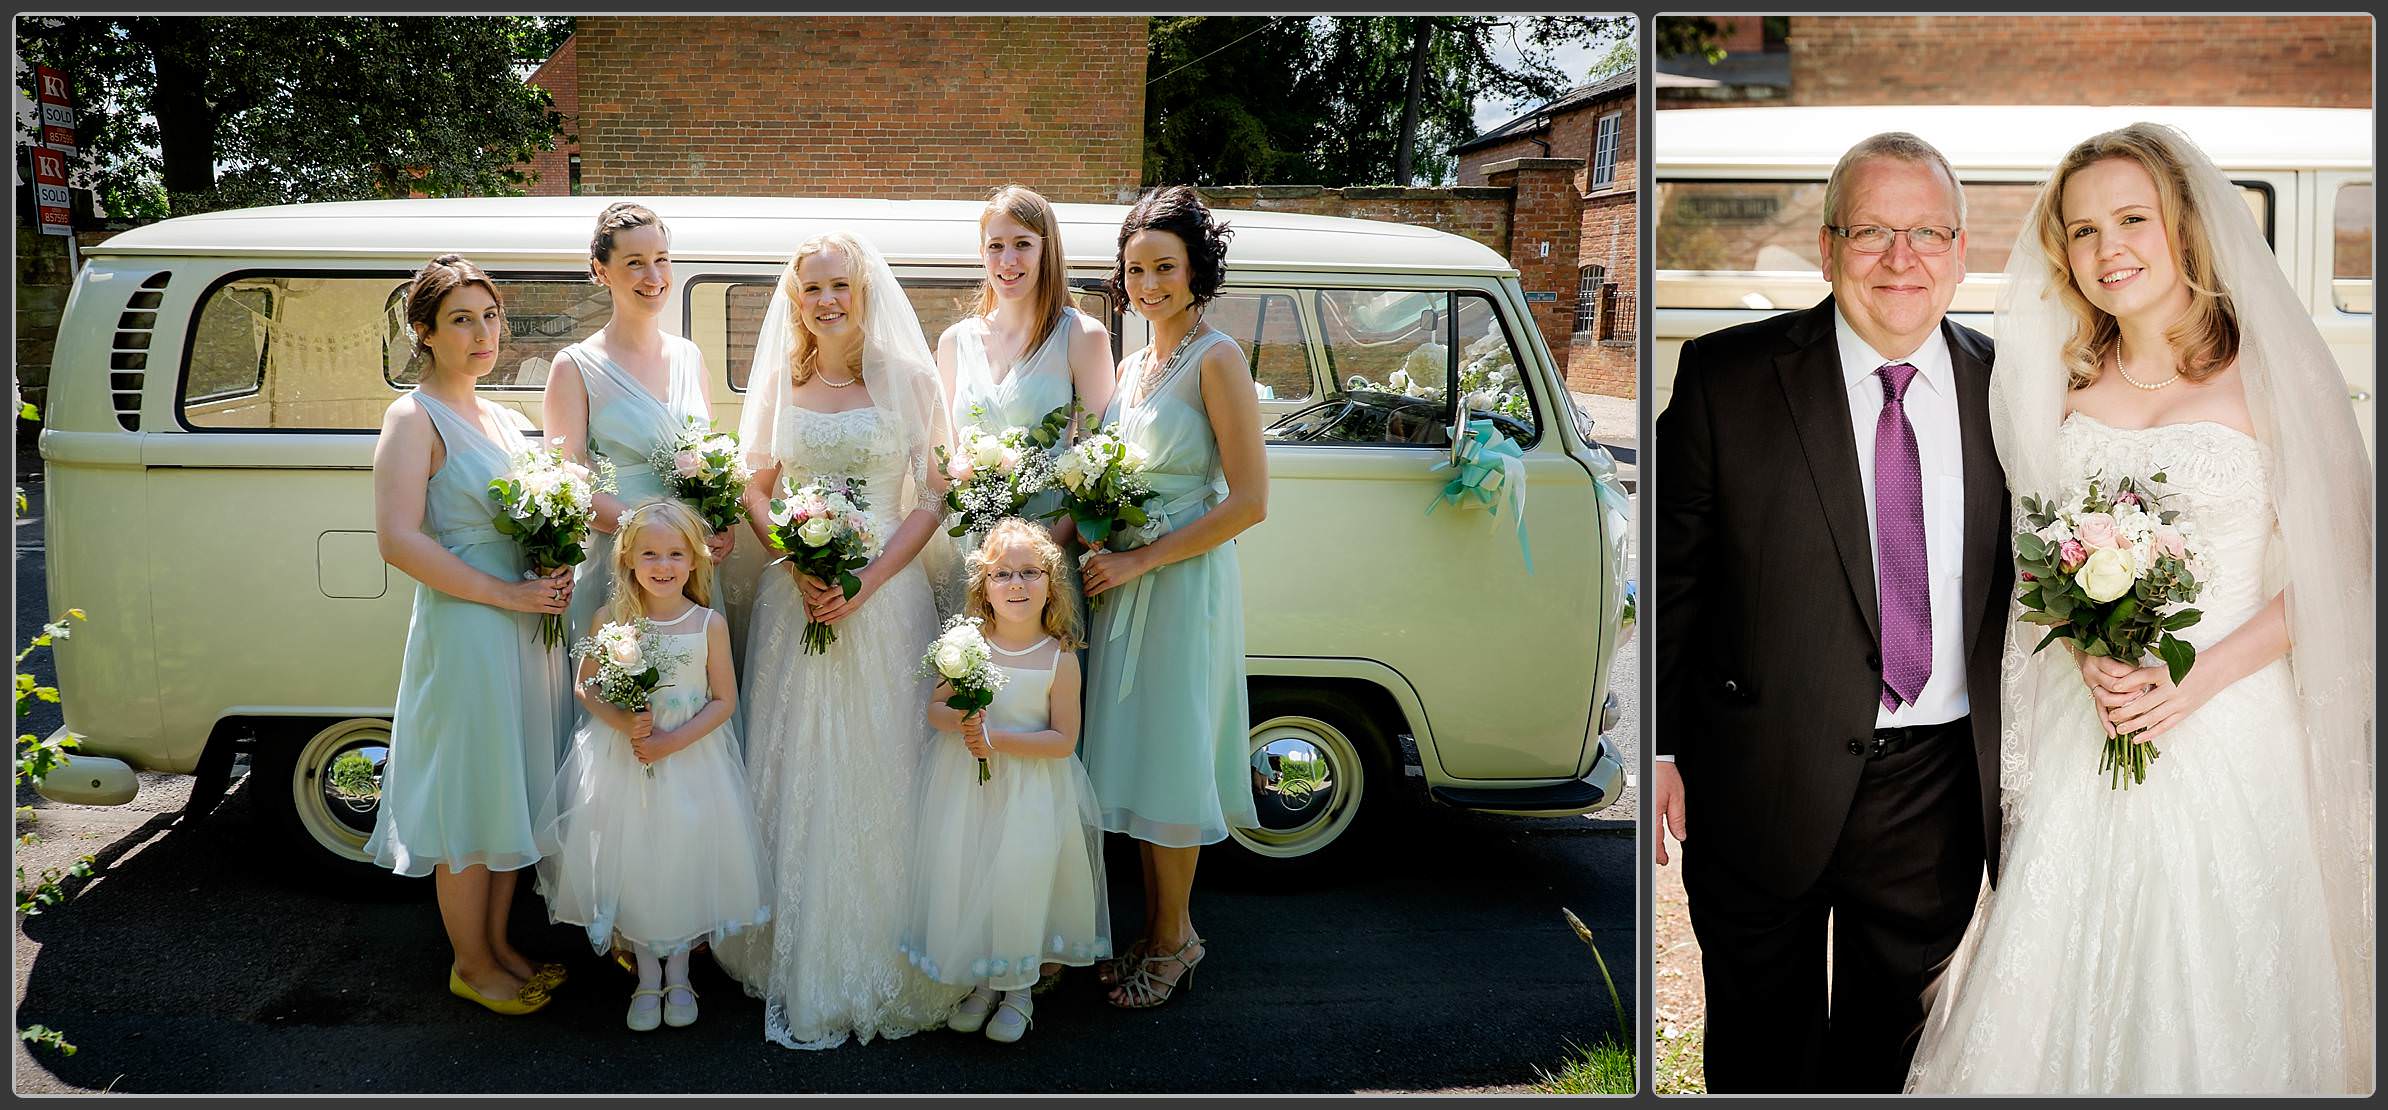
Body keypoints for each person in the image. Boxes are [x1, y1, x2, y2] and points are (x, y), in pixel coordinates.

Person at [1906, 122, 2373, 1094]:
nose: (2107, 249)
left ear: (2187, 229)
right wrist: (2084, 647)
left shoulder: (2272, 375)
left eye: (2131, 219)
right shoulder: (2063, 381)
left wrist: (2190, 681)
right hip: (2095, 723)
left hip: (2230, 723)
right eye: (2081, 231)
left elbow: (2341, 574)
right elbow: (2035, 559)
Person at [1651, 132, 2010, 1092]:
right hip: (1756, 777)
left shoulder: (2012, 392)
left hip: (1933, 793)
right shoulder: (1725, 379)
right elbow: (1673, 575)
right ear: (1826, 248)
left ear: (1962, 251)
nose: (1903, 260)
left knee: (1887, 1055)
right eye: (1873, 233)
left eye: (1928, 233)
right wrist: (1658, 746)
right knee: (1761, 1053)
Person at [709, 230, 970, 1049]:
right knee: (801, 766)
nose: (826, 301)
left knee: (887, 763)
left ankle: (895, 949)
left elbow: (934, 498)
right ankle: (799, 945)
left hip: (886, 599)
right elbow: (754, 485)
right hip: (802, 602)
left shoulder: (912, 379)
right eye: (812, 288)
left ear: (864, 292)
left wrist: (867, 580)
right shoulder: (783, 382)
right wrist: (796, 560)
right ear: (797, 299)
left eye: (839, 286)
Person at [366, 255, 574, 1015]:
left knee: (504, 789)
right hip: (468, 626)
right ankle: (470, 963)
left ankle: (500, 947)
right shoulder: (412, 417)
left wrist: (554, 568)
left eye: (490, 316)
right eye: (461, 318)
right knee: (467, 797)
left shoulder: (505, 417)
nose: (483, 332)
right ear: (423, 332)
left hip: (523, 626)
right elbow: (398, 539)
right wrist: (504, 592)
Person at [1078, 185, 1268, 1009]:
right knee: (1145, 756)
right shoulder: (1131, 366)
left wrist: (1143, 559)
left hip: (1181, 585)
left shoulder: (1218, 358)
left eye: (1164, 266)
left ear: (1197, 271)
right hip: (1126, 581)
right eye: (1135, 269)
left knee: (1175, 756)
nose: (1148, 282)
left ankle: (1176, 938)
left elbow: (1250, 502)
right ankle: (1157, 930)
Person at [536, 498, 771, 1032]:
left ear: (694, 562)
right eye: (649, 554)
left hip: (690, 760)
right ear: (627, 560)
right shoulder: (611, 619)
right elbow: (586, 685)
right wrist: (625, 724)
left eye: (674, 554)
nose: (662, 566)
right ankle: (646, 976)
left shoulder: (706, 624)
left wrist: (673, 741)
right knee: (635, 860)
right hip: (625, 760)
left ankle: (682, 974)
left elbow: (723, 701)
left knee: (683, 857)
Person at [902, 518, 1110, 1045]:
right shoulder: (966, 645)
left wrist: (995, 736)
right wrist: (963, 722)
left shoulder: (1059, 658)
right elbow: (937, 709)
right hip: (967, 790)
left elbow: (1063, 740)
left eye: (1029, 573)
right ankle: (981, 983)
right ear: (983, 586)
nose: (1016, 585)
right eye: (1002, 575)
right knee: (973, 875)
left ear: (1051, 582)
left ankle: (1017, 989)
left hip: (1031, 794)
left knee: (1019, 880)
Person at [543, 202, 733, 647]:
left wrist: (720, 525)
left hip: (687, 567)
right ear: (601, 270)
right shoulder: (575, 366)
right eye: (635, 263)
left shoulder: (690, 357)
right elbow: (567, 487)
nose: (654, 277)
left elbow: (710, 465)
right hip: (621, 561)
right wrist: (649, 534)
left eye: (661, 260)